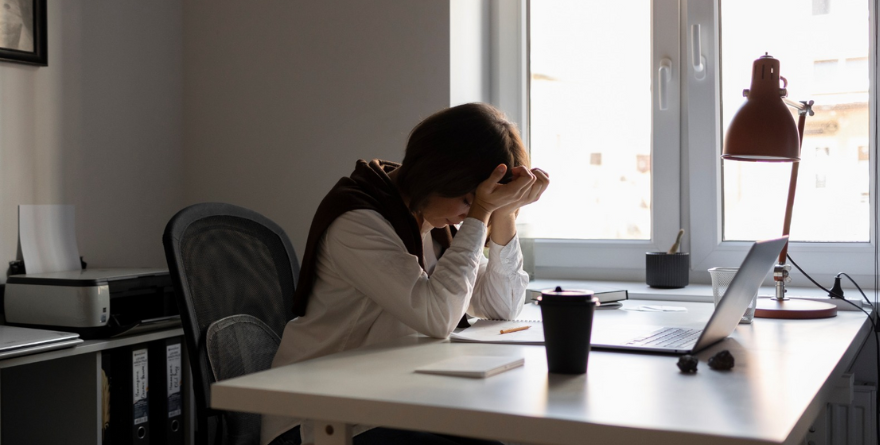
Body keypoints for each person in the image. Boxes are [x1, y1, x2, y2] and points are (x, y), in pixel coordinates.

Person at [263, 103, 549, 445]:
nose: (466, 216)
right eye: (466, 201)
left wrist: (504, 212)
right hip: (318, 417)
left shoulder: (431, 220)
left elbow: (501, 307)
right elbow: (437, 316)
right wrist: (481, 212)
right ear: (438, 174)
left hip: (386, 400)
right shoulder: (358, 220)